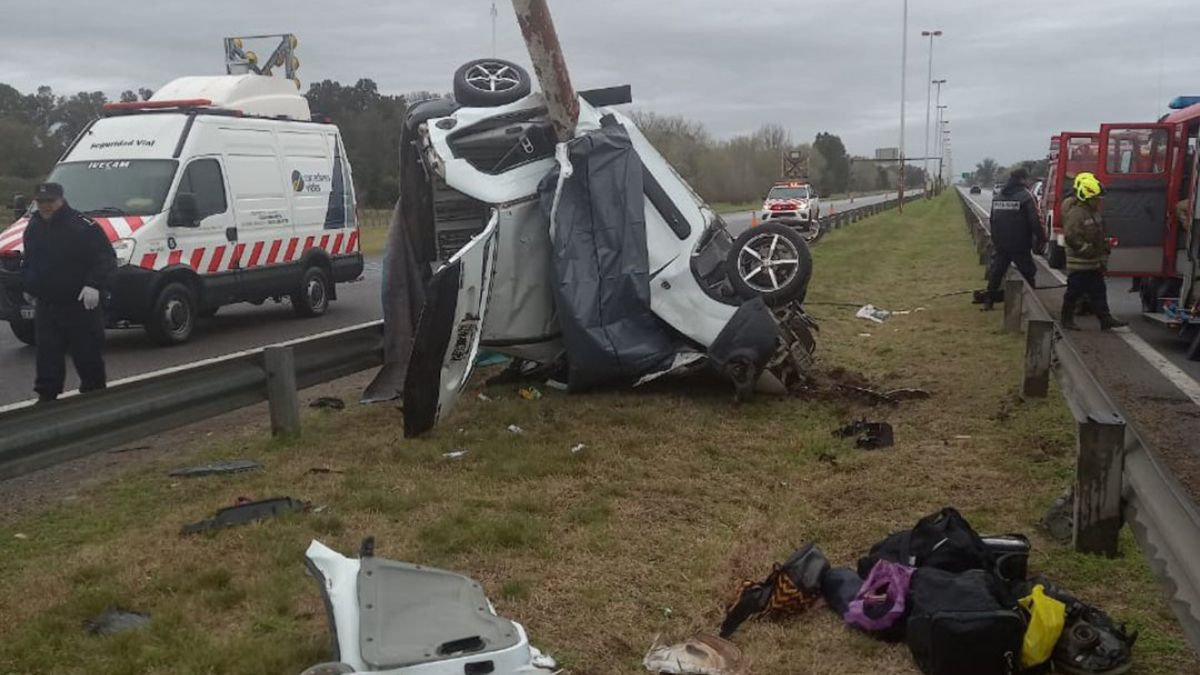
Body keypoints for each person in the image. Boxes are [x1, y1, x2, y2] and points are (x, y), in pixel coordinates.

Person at [19, 182, 117, 401]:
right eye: (41, 202)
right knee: (47, 355)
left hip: (79, 303)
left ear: (61, 200)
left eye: (50, 201)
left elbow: (105, 258)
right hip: (47, 304)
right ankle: (47, 398)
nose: (45, 206)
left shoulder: (83, 226)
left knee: (86, 354)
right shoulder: (34, 226)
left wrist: (94, 284)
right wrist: (29, 286)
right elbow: (30, 260)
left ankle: (95, 398)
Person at [1060, 172, 1127, 331]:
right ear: (1088, 197)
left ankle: (1105, 319)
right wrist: (1086, 250)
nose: (1099, 202)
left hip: (1093, 262)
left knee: (1099, 291)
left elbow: (1099, 233)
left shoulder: (1092, 212)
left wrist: (1103, 250)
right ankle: (1066, 320)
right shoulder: (1077, 213)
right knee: (1073, 293)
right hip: (1080, 263)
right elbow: (1071, 236)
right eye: (1096, 198)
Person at [983, 167, 1045, 309]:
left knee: (996, 273)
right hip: (1020, 244)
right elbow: (1035, 220)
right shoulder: (1026, 196)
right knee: (1028, 272)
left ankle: (988, 302)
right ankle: (1031, 306)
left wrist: (996, 239)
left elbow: (992, 219)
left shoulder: (999, 195)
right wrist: (1042, 238)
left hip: (1001, 243)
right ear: (1023, 179)